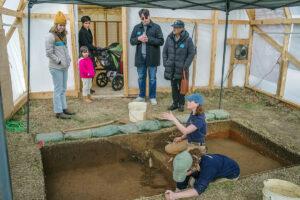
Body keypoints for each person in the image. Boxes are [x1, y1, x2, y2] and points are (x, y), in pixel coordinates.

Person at [165, 149, 240, 200]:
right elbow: (185, 175)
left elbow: (198, 190)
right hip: (216, 166)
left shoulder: (208, 166)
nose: (183, 174)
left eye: (185, 171)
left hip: (231, 174)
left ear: (194, 166)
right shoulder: (190, 158)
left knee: (195, 185)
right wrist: (179, 189)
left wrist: (175, 195)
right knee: (192, 183)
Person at [130, 8, 164, 105]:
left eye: (146, 17)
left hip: (152, 57)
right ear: (140, 18)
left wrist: (149, 39)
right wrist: (138, 38)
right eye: (142, 18)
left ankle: (152, 97)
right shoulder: (137, 28)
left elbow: (161, 41)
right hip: (140, 58)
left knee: (152, 78)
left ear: (149, 16)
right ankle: (141, 96)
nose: (144, 19)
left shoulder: (156, 27)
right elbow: (131, 41)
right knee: (141, 77)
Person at [45, 11, 75, 119]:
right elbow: (49, 53)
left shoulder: (63, 35)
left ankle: (64, 108)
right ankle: (58, 112)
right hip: (56, 67)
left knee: (63, 89)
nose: (62, 27)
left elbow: (65, 49)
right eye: (60, 25)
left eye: (63, 25)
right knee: (58, 89)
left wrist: (68, 59)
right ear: (56, 25)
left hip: (64, 67)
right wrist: (58, 61)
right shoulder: (50, 36)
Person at [163, 20, 195, 112]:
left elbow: (191, 53)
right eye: (173, 27)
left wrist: (185, 66)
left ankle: (181, 104)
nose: (174, 29)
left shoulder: (188, 40)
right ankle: (175, 103)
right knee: (173, 87)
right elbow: (164, 52)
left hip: (182, 69)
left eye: (176, 27)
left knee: (182, 87)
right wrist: (166, 63)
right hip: (171, 68)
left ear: (182, 28)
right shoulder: (169, 38)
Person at [78, 16, 97, 94]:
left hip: (90, 52)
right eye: (86, 23)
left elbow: (90, 42)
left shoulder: (88, 30)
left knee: (92, 70)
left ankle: (89, 88)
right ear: (82, 23)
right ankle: (87, 89)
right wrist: (95, 48)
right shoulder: (82, 32)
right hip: (85, 53)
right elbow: (86, 44)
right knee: (88, 71)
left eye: (89, 23)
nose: (88, 25)